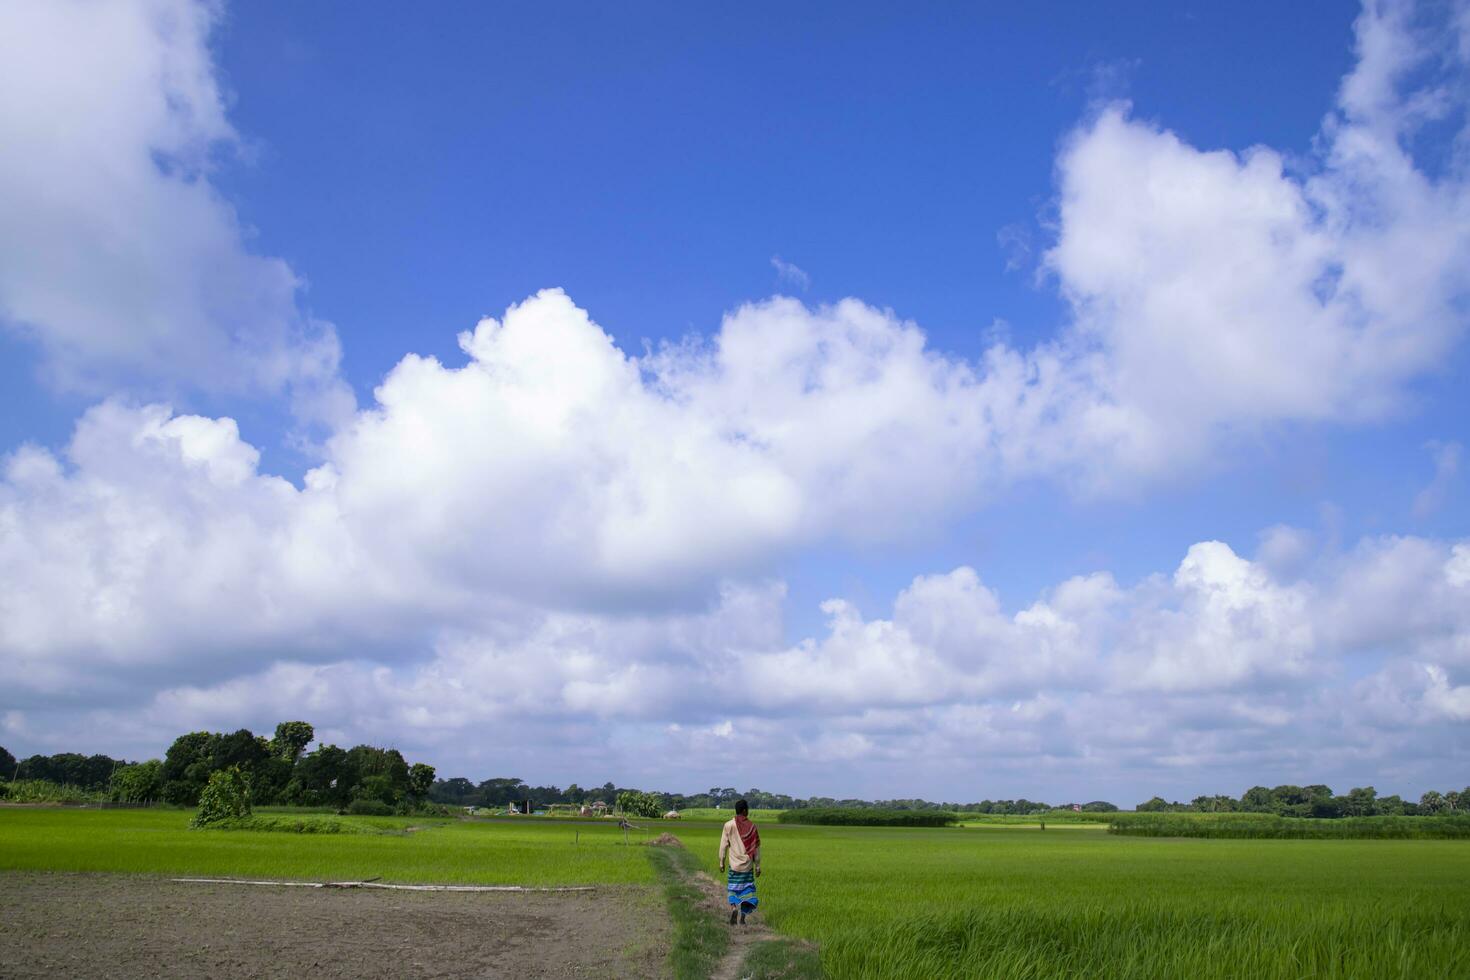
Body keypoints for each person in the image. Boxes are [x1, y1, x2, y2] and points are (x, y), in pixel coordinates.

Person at [718, 798, 761, 925]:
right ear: (744, 810)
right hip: (747, 867)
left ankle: (733, 908)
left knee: (732, 890)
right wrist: (757, 865)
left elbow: (723, 846)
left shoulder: (728, 825)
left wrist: (721, 862)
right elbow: (756, 848)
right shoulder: (752, 827)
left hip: (734, 866)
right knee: (748, 893)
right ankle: (742, 917)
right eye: (747, 809)